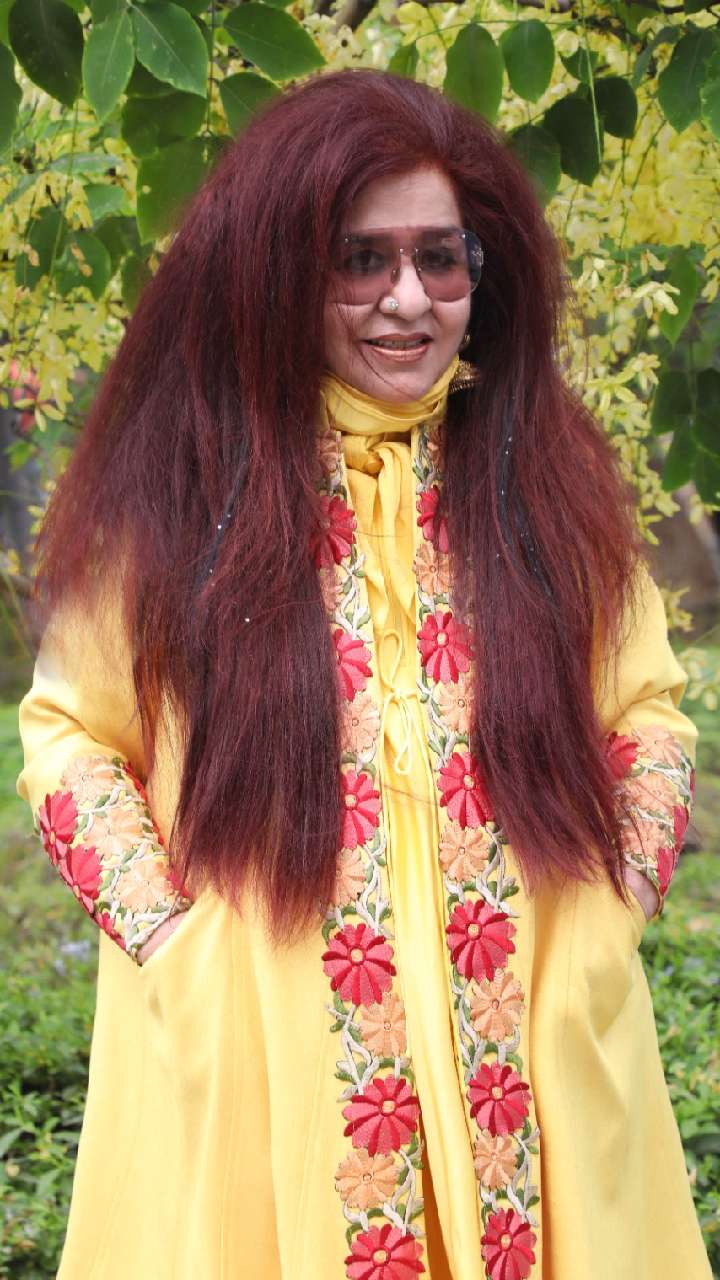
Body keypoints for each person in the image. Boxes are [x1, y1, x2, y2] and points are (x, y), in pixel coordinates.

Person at [17, 68, 711, 1280]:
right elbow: (72, 736)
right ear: (281, 274)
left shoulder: (542, 483)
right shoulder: (184, 492)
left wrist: (610, 915)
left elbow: (646, 712)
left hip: (530, 1038)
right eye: (360, 260)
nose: (408, 299)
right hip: (265, 1057)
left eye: (441, 258)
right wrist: (178, 947)